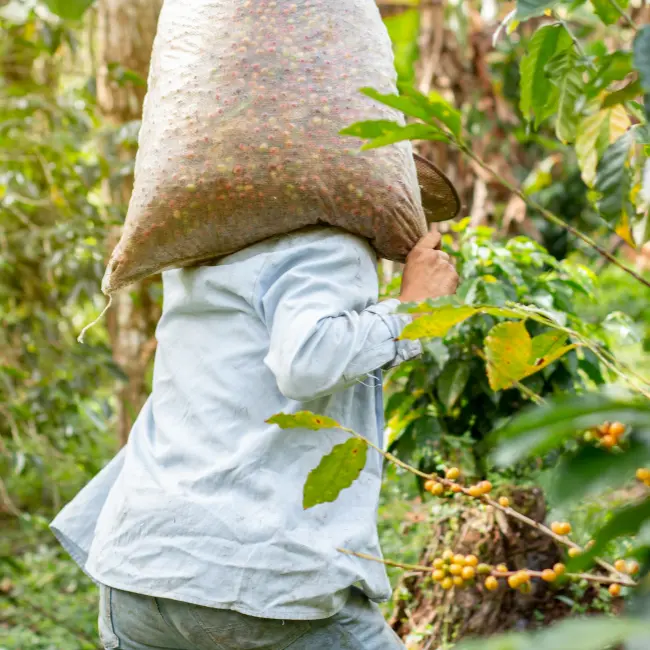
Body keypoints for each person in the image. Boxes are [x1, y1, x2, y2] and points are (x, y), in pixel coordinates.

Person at [51, 224, 459, 650]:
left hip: (135, 572)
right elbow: (309, 362)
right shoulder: (327, 242)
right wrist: (414, 308)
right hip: (249, 581)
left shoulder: (200, 243)